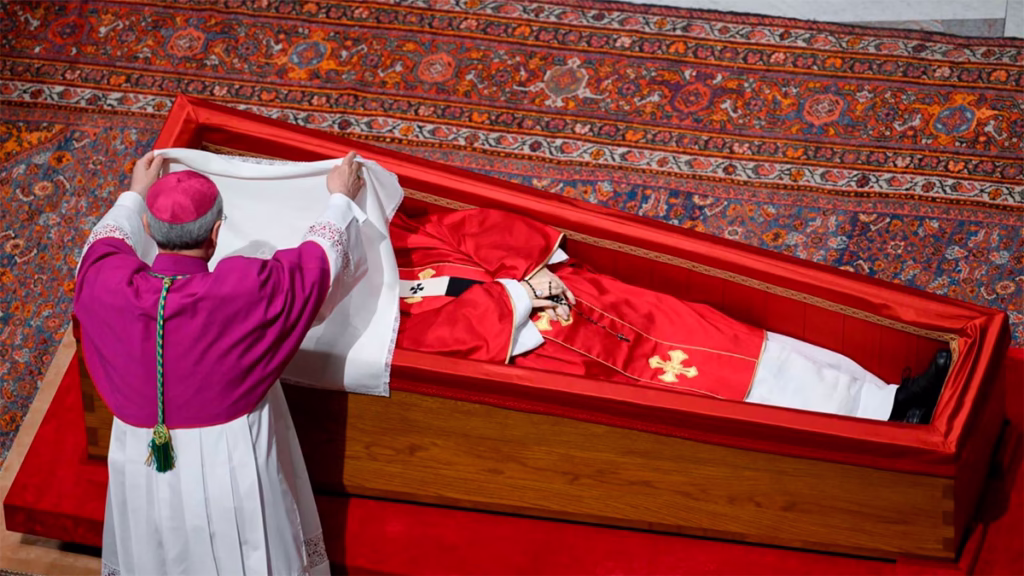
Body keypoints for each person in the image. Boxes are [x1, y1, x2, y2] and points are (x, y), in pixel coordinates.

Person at [74, 150, 368, 575]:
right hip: (230, 458)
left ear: (147, 228)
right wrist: (340, 198)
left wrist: (135, 194)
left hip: (143, 458)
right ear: (216, 232)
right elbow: (318, 264)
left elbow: (101, 248)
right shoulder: (244, 291)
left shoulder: (107, 286)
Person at [392, 208, 949, 424]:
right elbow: (433, 344)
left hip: (585, 300)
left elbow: (453, 229)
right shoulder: (357, 324)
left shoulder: (387, 240)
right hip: (549, 359)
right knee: (724, 392)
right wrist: (515, 297)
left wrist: (529, 269)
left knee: (736, 342)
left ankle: (885, 399)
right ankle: (885, 427)